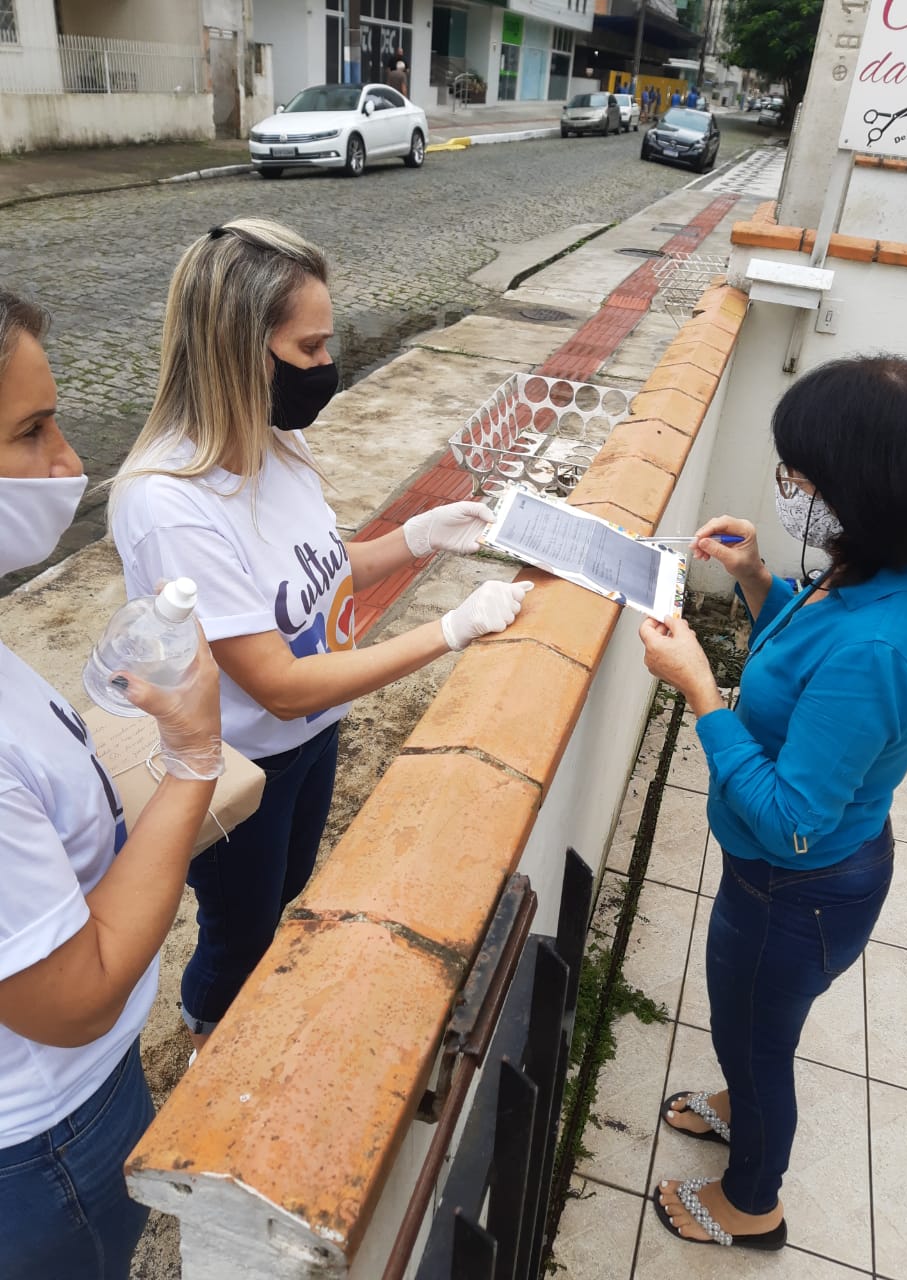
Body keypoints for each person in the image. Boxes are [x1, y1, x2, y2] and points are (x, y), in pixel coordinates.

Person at [109, 218, 532, 1055]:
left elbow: (315, 570)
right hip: (240, 763)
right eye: (310, 348)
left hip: (312, 734)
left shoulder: (274, 438)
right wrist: (451, 629)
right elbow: (277, 682)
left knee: (289, 888)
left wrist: (415, 538)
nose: (326, 367)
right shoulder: (170, 503)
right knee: (240, 927)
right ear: (242, 351)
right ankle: (209, 1043)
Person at [638, 355, 907, 1252]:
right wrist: (755, 580)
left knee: (757, 1040)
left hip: (795, 884)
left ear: (869, 489)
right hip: (814, 880)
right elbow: (821, 652)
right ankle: (739, 1096)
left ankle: (752, 1205)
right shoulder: (889, 573)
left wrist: (702, 693)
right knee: (754, 1025)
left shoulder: (881, 641)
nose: (788, 489)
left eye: (802, 478)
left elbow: (791, 814)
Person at [0, 290, 224, 1277]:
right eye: (31, 430)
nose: (68, 464)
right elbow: (74, 992)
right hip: (47, 1138)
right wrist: (192, 764)